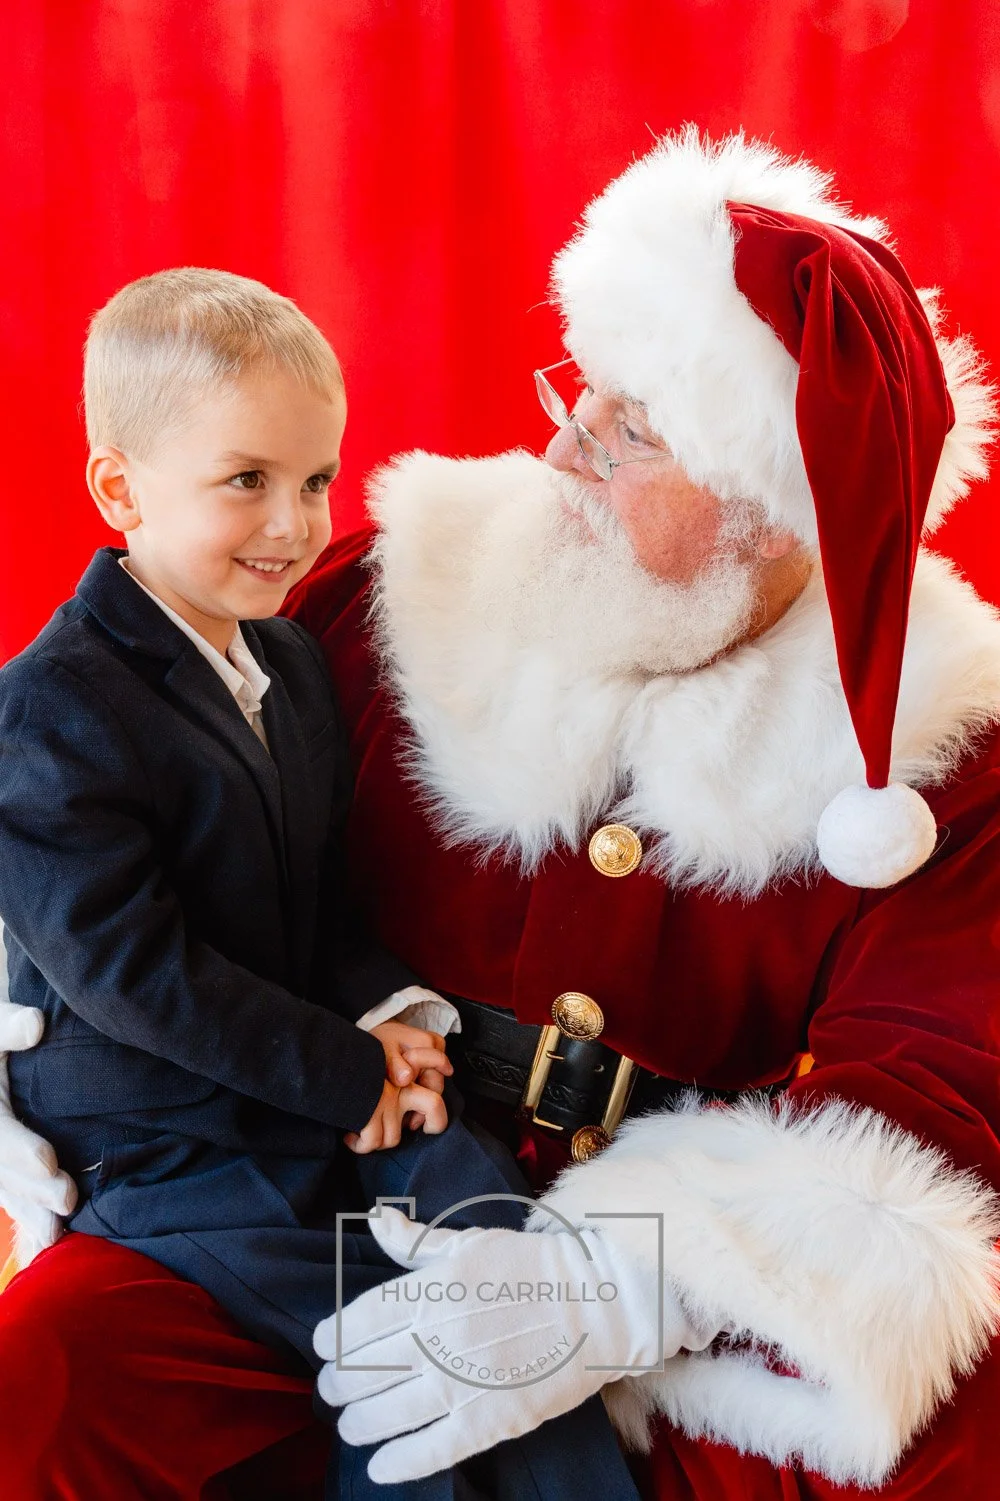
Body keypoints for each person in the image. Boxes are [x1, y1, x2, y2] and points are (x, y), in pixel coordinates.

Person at [1, 129, 1000, 1500]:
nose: (565, 444)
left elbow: (933, 1094)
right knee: (53, 1368)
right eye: (583, 394)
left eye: (632, 426)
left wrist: (612, 1288)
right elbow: (122, 798)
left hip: (657, 1277)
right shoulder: (405, 584)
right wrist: (23, 1019)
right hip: (329, 1173)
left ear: (778, 511)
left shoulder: (947, 748)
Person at [0, 269, 645, 1500]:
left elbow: (320, 908)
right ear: (119, 486)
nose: (293, 524)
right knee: (397, 1338)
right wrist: (348, 1072)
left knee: (504, 1256)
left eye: (314, 481)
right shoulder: (49, 709)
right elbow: (138, 977)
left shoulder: (292, 665)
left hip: (300, 1085)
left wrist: (396, 1020)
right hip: (167, 1147)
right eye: (245, 481)